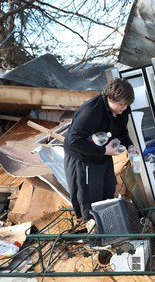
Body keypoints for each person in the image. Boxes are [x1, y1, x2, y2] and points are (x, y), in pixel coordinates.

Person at [63, 78, 136, 224]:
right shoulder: (90, 111)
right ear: (109, 98)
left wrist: (130, 146)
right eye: (121, 104)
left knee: (108, 188)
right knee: (91, 195)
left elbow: (121, 131)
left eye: (127, 104)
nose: (124, 108)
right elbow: (74, 141)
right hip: (82, 156)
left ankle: (108, 225)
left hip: (103, 151)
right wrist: (103, 151)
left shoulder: (122, 110)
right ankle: (94, 232)